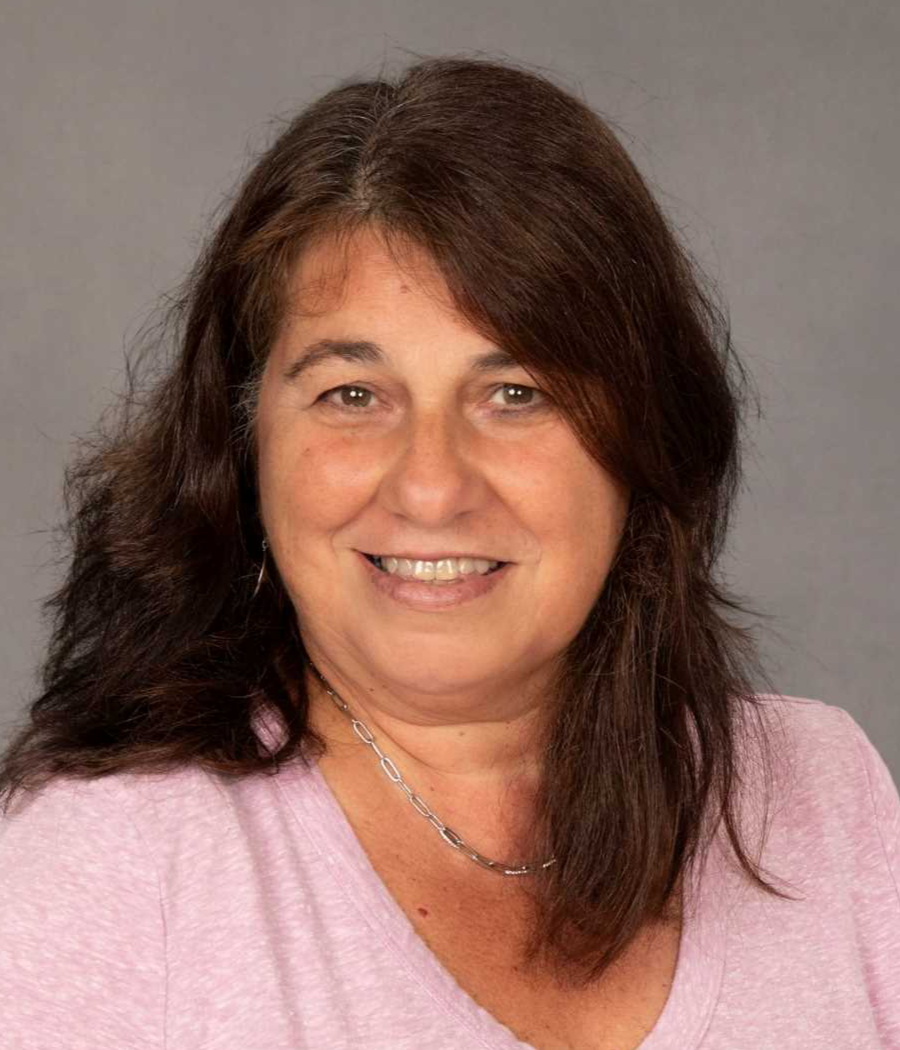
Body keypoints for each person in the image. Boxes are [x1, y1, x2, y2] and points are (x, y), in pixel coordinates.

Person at [1, 53, 898, 1050]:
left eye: (517, 394)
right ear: (243, 449)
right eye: (353, 394)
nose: (432, 485)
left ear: (643, 443)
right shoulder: (113, 870)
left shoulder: (823, 802)